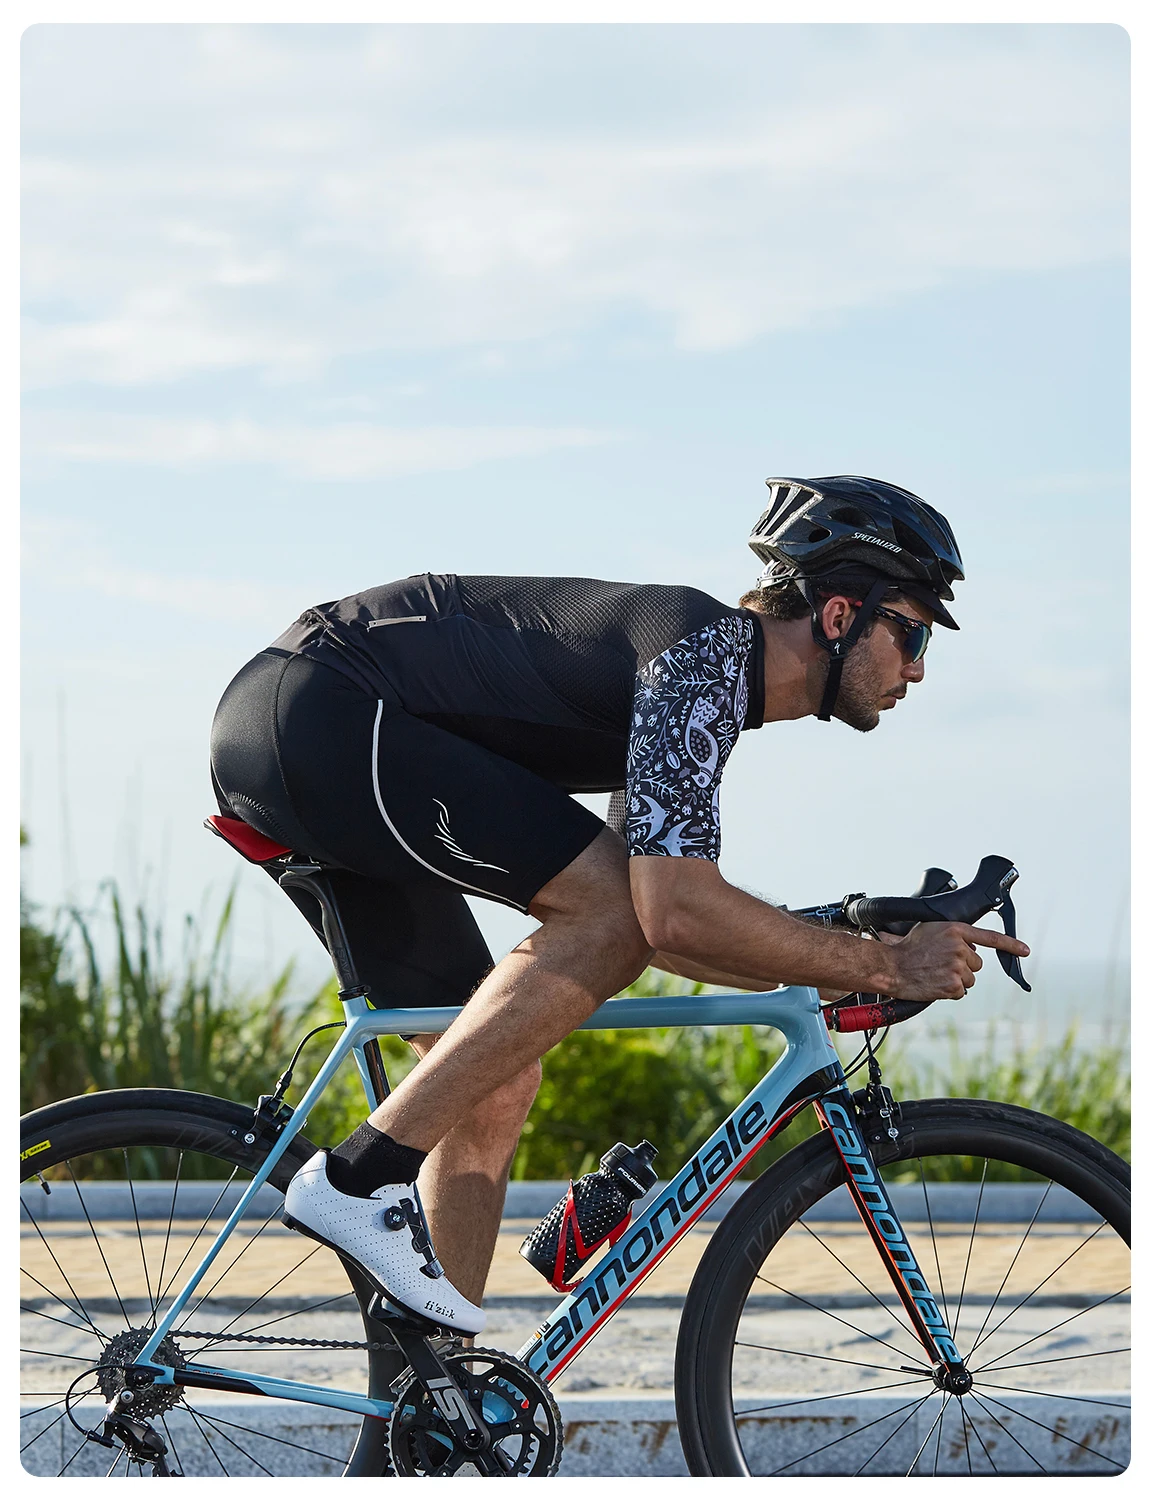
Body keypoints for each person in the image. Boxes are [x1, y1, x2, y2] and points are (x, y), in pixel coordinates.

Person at [209, 474, 1028, 1335]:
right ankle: (357, 1178)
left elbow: (662, 925)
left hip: (314, 727)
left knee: (491, 1082)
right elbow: (663, 916)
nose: (918, 668)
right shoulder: (705, 655)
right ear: (838, 616)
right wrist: (884, 966)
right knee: (607, 917)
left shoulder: (691, 687)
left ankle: (435, 1398)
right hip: (321, 710)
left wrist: (836, 947)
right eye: (911, 633)